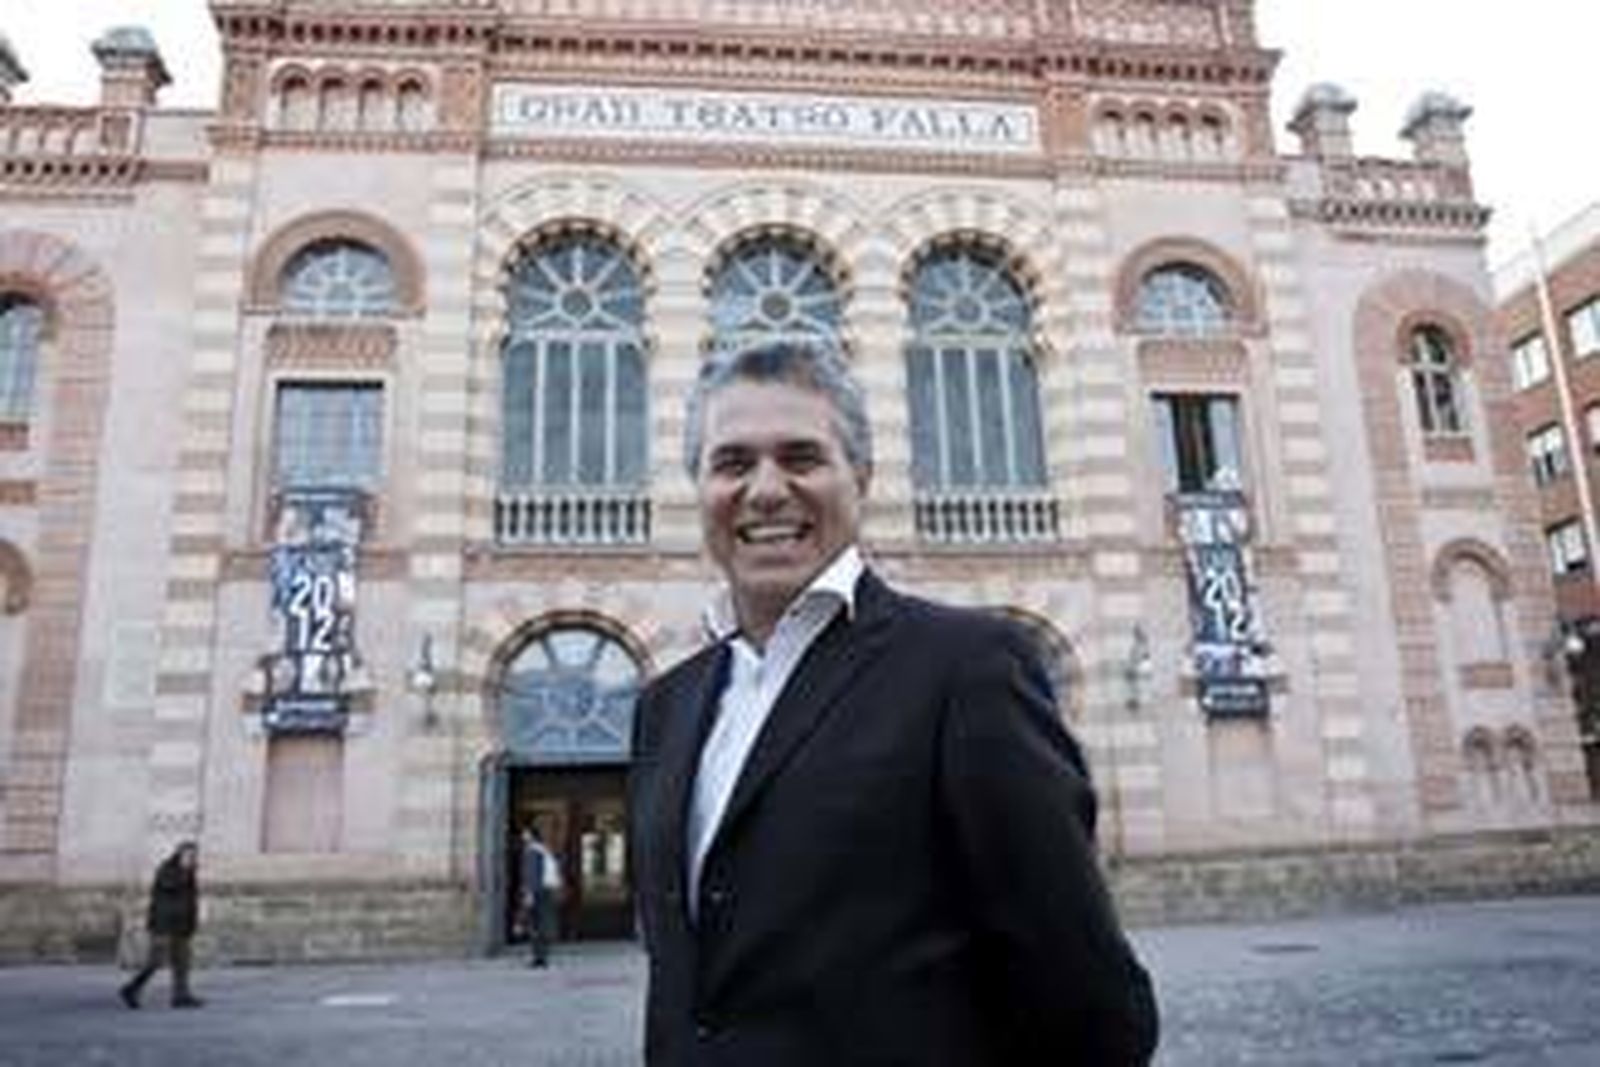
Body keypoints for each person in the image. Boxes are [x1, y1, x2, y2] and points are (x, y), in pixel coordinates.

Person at [627, 341, 1158, 1065]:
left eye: (801, 457)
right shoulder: (667, 705)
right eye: (732, 463)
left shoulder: (969, 668)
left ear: (862, 478)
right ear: (700, 487)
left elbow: (1090, 997)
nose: (766, 489)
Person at [119, 841, 204, 1009]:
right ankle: (131, 989)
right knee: (156, 961)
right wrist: (185, 870)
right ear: (179, 854)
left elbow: (189, 900)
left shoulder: (189, 873)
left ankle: (181, 996)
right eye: (189, 855)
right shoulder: (167, 869)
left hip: (181, 924)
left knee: (182, 961)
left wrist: (192, 923)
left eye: (194, 855)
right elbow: (169, 885)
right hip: (163, 924)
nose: (192, 858)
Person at [519, 826, 563, 968]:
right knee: (542, 923)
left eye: (525, 833)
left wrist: (529, 893)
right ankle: (542, 956)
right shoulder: (543, 850)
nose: (523, 835)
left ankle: (539, 957)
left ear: (531, 836)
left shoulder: (532, 851)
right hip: (546, 891)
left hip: (537, 892)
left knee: (535, 926)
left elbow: (532, 874)